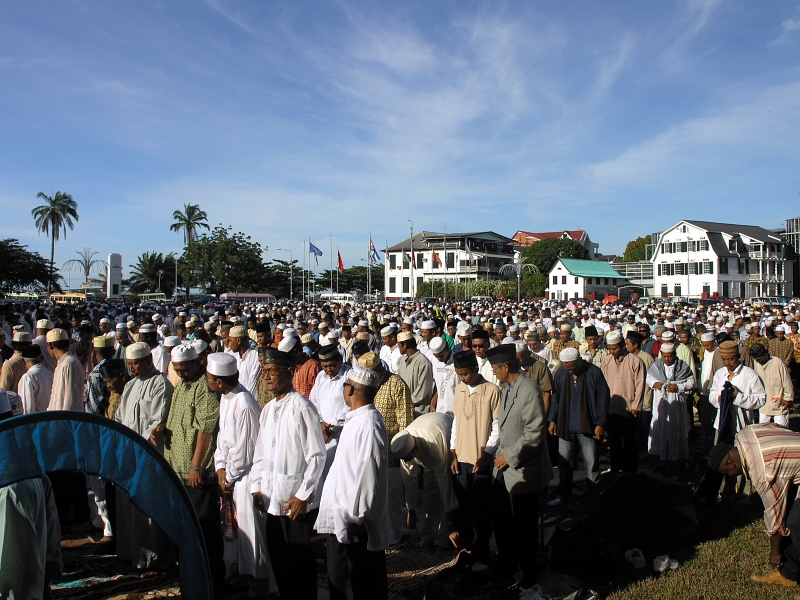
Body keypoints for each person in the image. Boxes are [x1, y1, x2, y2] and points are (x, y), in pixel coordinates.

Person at [250, 348, 326, 600]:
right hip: (272, 499)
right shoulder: (268, 409)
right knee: (279, 560)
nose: (267, 377)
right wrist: (257, 486)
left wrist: (303, 495)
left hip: (294, 501)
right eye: (265, 371)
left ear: (289, 372)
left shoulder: (302, 407)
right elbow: (260, 452)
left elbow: (316, 455)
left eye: (273, 371)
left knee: (299, 563)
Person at [315, 366, 390, 600]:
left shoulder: (369, 424)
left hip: (354, 524)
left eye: (345, 386)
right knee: (341, 580)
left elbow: (367, 476)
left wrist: (354, 519)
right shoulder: (356, 420)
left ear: (351, 390)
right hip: (344, 520)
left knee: (359, 585)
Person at [487, 344, 552, 594]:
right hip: (506, 470)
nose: (493, 373)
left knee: (524, 526)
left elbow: (534, 433)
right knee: (503, 521)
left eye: (495, 368)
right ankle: (507, 564)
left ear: (505, 367)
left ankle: (529, 571)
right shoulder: (507, 389)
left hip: (525, 469)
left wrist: (509, 457)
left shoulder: (529, 389)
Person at [207, 353, 271, 596]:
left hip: (246, 480)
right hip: (232, 477)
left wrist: (229, 475)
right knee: (238, 537)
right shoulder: (226, 398)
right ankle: (242, 577)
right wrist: (220, 467)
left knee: (253, 538)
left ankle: (259, 587)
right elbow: (223, 439)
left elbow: (246, 451)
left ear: (220, 381)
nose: (208, 381)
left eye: (210, 378)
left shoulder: (244, 403)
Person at [162, 344, 224, 585]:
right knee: (185, 525)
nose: (180, 373)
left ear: (197, 363)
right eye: (177, 370)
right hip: (177, 467)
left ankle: (211, 578)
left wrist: (196, 465)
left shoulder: (204, 388)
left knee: (204, 526)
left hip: (197, 471)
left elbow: (205, 428)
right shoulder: (182, 385)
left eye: (184, 369)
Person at [709, 426, 800, 587]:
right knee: (793, 518)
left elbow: (775, 515)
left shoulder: (762, 473)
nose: (729, 476)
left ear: (730, 463)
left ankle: (789, 571)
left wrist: (775, 553)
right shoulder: (745, 434)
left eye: (726, 473)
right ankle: (789, 574)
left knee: (796, 523)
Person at [114, 342, 175, 569]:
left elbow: (157, 422)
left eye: (136, 363)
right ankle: (132, 554)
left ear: (149, 361)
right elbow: (120, 418)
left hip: (150, 456)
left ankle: (156, 559)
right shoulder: (130, 386)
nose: (133, 368)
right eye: (130, 364)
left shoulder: (161, 384)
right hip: (129, 455)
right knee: (131, 508)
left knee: (149, 508)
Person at [449, 350, 500, 571]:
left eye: (465, 374)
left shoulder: (492, 391)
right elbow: (455, 423)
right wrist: (452, 452)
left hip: (480, 460)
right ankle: (466, 551)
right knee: (463, 509)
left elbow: (497, 427)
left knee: (481, 509)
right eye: (459, 374)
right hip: (461, 458)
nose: (462, 378)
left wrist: (487, 453)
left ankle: (482, 553)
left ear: (475, 370)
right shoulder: (459, 390)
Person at [357, 351, 414, 546]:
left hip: (390, 454)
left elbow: (405, 422)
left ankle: (392, 538)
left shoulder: (396, 384)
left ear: (380, 369)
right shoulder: (363, 387)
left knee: (391, 501)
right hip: (366, 453)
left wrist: (400, 451)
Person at [547, 347, 610, 507]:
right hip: (565, 425)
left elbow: (603, 399)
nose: (569, 371)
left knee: (591, 464)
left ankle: (594, 498)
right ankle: (563, 496)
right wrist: (553, 419)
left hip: (587, 426)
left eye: (572, 368)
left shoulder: (594, 372)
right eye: (566, 368)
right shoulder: (561, 373)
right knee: (564, 464)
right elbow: (556, 398)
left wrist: (600, 423)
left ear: (579, 362)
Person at [309, 343, 351, 497]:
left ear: (340, 360)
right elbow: (313, 402)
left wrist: (331, 428)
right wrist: (320, 424)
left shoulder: (349, 376)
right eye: (325, 366)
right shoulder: (321, 377)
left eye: (332, 365)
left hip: (340, 435)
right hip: (321, 433)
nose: (328, 370)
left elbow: (350, 406)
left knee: (338, 479)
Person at [600, 330, 645, 474]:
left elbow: (640, 385)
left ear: (622, 346)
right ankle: (615, 469)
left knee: (630, 442)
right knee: (614, 442)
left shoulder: (635, 361)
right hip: (611, 408)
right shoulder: (606, 360)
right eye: (610, 349)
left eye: (615, 348)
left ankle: (630, 472)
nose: (612, 351)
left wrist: (635, 406)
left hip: (629, 409)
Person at [646, 343, 695, 464]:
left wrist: (678, 387)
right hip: (660, 402)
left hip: (677, 402)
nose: (667, 359)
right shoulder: (656, 366)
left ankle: (676, 455)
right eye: (665, 356)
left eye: (670, 356)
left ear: (674, 354)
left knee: (676, 426)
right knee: (659, 425)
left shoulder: (683, 367)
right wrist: (655, 384)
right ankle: (658, 453)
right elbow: (649, 379)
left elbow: (692, 383)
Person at [749, 343, 793, 426]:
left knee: (781, 429)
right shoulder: (757, 363)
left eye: (759, 359)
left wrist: (788, 398)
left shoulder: (778, 363)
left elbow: (787, 382)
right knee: (763, 429)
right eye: (756, 360)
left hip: (779, 403)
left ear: (765, 355)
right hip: (764, 403)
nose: (758, 361)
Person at [397, 331, 434, 416]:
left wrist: (407, 402)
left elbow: (422, 390)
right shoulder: (403, 360)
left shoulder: (423, 362)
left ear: (405, 345)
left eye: (399, 345)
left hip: (419, 411)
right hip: (404, 409)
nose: (398, 347)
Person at [18, 344, 54, 414]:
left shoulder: (28, 377)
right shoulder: (51, 374)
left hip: (37, 422)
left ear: (23, 361)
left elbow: (27, 408)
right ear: (42, 358)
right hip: (51, 419)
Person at [229, 325, 260, 397]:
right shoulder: (234, 357)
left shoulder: (256, 357)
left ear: (238, 341)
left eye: (230, 340)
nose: (229, 343)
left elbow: (253, 385)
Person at [430, 337, 457, 415]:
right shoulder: (434, 361)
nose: (438, 359)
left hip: (454, 409)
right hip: (440, 409)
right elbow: (438, 385)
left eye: (441, 356)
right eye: (436, 356)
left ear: (447, 349)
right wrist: (433, 403)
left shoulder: (457, 362)